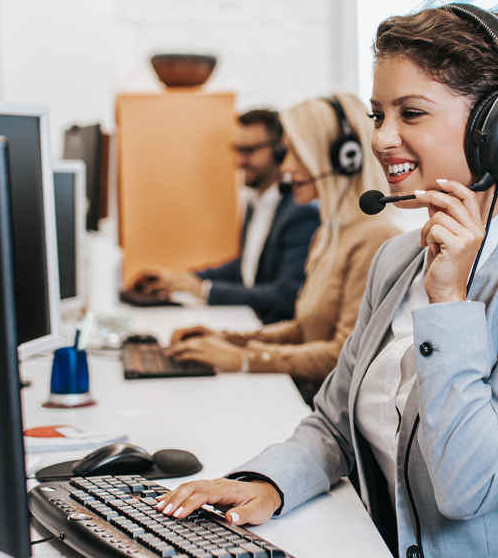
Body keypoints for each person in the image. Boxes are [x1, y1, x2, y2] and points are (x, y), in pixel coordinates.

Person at [152, 5, 498, 558]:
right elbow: (334, 424)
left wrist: (449, 304)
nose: (383, 139)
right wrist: (268, 483)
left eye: (411, 113)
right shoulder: (397, 260)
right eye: (376, 116)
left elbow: (471, 486)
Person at [166, 94, 401, 401]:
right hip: (312, 401)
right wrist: (227, 339)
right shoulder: (328, 234)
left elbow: (343, 354)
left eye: (294, 153)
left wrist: (246, 359)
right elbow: (301, 330)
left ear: (344, 157)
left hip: (336, 419)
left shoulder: (374, 238)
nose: (286, 166)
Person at [131, 109, 320, 324]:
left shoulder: (301, 212)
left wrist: (205, 291)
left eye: (248, 151)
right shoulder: (255, 203)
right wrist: (183, 279)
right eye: (237, 150)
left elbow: (286, 294)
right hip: (247, 321)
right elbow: (248, 265)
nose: (239, 161)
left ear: (279, 151)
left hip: (271, 332)